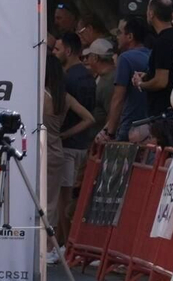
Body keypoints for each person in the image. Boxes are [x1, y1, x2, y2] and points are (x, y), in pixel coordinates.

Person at [43, 50, 95, 265]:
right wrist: (64, 134)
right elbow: (89, 118)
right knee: (52, 200)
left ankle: (43, 244)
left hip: (39, 147)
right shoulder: (64, 97)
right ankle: (49, 245)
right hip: (56, 148)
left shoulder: (37, 94)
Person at [55, 31, 96, 240]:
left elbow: (87, 116)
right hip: (83, 145)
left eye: (57, 49)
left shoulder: (67, 79)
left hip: (69, 146)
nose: (54, 53)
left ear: (68, 51)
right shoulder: (89, 75)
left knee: (64, 198)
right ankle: (67, 244)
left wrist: (62, 134)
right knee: (71, 199)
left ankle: (63, 245)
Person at [99, 17, 152, 144]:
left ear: (130, 37)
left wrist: (109, 132)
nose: (117, 37)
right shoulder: (152, 55)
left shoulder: (126, 58)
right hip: (150, 128)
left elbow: (118, 98)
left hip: (129, 127)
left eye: (120, 33)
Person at [137, 0, 173, 146]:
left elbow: (161, 81)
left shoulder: (163, 42)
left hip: (163, 115)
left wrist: (141, 84)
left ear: (151, 13)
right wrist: (148, 76)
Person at [85, 38, 117, 133]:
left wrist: (106, 135)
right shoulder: (102, 77)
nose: (86, 59)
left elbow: (112, 114)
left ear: (95, 58)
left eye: (89, 56)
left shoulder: (109, 82)